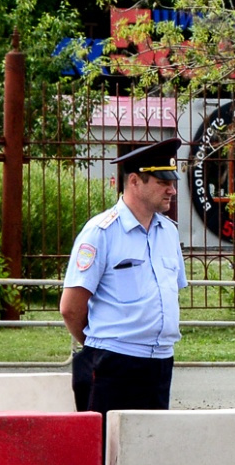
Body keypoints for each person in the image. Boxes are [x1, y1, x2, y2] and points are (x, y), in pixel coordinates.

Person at [61, 137, 188, 420]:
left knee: (149, 444)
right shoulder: (101, 232)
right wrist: (105, 343)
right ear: (134, 181)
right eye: (162, 182)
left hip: (160, 363)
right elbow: (71, 308)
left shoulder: (168, 232)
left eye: (172, 182)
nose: (172, 189)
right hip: (114, 363)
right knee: (108, 444)